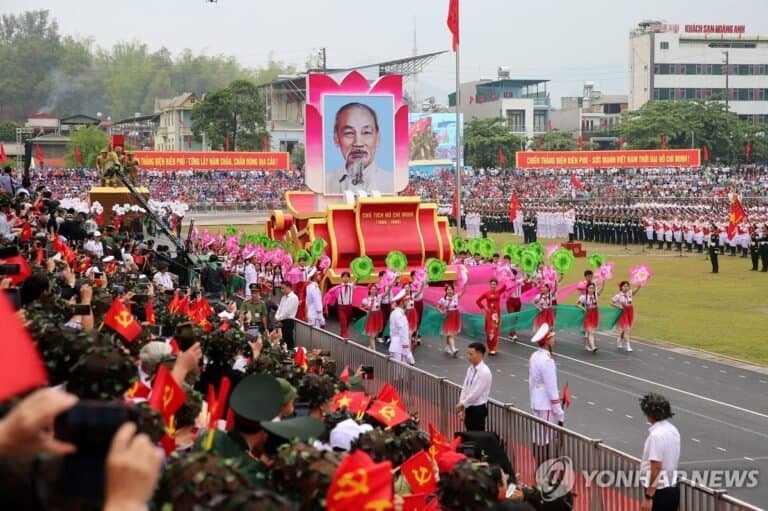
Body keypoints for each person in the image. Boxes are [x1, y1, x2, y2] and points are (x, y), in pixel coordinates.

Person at [324, 102, 392, 194]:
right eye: (349, 133)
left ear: (378, 138)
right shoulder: (325, 183)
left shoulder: (392, 183)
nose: (358, 143)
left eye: (366, 132)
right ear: (336, 139)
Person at [528, 323, 564, 466]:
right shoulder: (547, 360)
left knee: (537, 435)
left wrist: (532, 399)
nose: (554, 340)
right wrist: (559, 411)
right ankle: (543, 466)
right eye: (552, 338)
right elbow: (551, 388)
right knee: (545, 438)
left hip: (536, 400)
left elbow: (531, 382)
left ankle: (539, 464)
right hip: (545, 403)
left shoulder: (534, 356)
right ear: (547, 341)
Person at [639, 393, 680, 511]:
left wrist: (649, 497)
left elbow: (656, 468)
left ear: (650, 415)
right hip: (671, 487)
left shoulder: (656, 436)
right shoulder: (672, 430)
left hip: (659, 492)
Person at [456, 342, 492, 431]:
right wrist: (462, 404)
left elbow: (476, 393)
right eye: (468, 354)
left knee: (476, 434)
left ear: (479, 354)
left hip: (477, 409)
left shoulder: (484, 372)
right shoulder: (471, 369)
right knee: (469, 432)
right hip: (469, 406)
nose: (468, 357)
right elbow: (465, 387)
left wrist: (463, 404)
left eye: (471, 354)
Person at [475, 278, 504, 356]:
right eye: (492, 284)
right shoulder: (486, 293)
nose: (493, 286)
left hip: (496, 315)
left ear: (496, 285)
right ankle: (490, 347)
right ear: (490, 285)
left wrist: (507, 277)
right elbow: (477, 301)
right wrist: (484, 307)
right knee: (489, 331)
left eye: (495, 284)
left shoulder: (499, 292)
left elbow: (506, 286)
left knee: (495, 331)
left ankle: (493, 349)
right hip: (489, 314)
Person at [388, 289, 415, 366]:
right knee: (400, 372)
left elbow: (392, 332)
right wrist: (409, 354)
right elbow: (404, 336)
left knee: (396, 371)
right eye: (406, 300)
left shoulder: (394, 313)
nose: (408, 302)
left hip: (394, 346)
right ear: (401, 302)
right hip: (400, 349)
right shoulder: (400, 315)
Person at [612, 280, 639, 352]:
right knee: (626, 330)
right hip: (622, 313)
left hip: (629, 312)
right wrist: (618, 306)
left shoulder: (630, 293)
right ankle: (628, 346)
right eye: (624, 286)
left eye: (627, 286)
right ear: (621, 287)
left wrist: (639, 284)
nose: (626, 287)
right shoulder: (618, 296)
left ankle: (619, 339)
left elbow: (636, 290)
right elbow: (612, 303)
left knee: (625, 330)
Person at [437, 283, 461, 357]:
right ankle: (453, 349)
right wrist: (441, 311)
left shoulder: (456, 296)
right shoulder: (443, 299)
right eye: (448, 289)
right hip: (448, 317)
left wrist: (465, 282)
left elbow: (463, 291)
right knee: (450, 334)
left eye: (451, 289)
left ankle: (447, 347)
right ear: (446, 291)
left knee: (449, 333)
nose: (450, 291)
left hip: (455, 316)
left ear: (453, 290)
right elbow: (437, 306)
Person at [275, 281, 299, 349]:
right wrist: (276, 317)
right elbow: (279, 308)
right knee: (281, 339)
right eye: (281, 288)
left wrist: (278, 318)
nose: (281, 290)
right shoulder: (283, 297)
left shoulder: (293, 297)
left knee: (288, 338)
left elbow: (288, 312)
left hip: (288, 321)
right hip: (281, 320)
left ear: (288, 287)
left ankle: (290, 351)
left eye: (283, 288)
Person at [577, 282, 600, 353]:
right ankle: (593, 347)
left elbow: (596, 305)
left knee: (588, 332)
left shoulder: (595, 296)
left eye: (593, 288)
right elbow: (577, 304)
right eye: (590, 288)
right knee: (591, 332)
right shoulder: (583, 297)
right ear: (587, 288)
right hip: (587, 315)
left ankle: (587, 346)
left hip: (594, 315)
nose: (592, 289)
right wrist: (583, 308)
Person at [360, 283, 383, 350]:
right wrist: (366, 311)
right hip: (371, 317)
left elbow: (386, 292)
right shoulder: (366, 299)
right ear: (369, 290)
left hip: (378, 316)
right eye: (372, 289)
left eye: (375, 289)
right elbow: (360, 307)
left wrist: (392, 283)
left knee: (375, 333)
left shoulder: (379, 297)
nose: (373, 290)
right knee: (372, 336)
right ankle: (374, 351)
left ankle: (370, 346)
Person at [334, 271, 355, 339]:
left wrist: (359, 274)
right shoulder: (338, 287)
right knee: (343, 322)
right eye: (344, 277)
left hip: (349, 307)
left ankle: (342, 334)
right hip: (341, 307)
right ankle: (346, 337)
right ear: (342, 278)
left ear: (349, 278)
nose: (345, 278)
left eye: (347, 277)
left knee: (347, 323)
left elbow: (356, 281)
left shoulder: (351, 286)